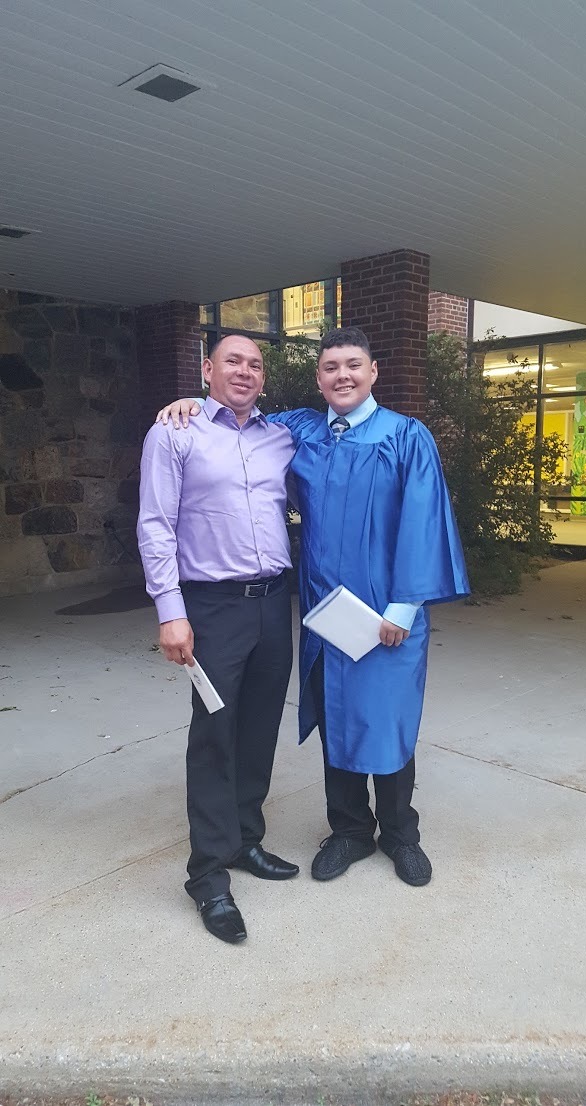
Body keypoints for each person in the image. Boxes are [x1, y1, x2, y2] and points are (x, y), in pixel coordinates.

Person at [157, 326, 469, 890]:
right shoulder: (299, 430)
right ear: (318, 379)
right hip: (327, 614)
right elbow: (236, 414)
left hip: (387, 614)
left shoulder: (405, 436)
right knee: (335, 716)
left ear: (373, 372)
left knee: (389, 718)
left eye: (353, 365)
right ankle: (349, 830)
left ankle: (401, 834)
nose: (342, 376)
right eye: (330, 368)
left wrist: (404, 607)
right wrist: (190, 403)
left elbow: (424, 521)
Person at [138, 334, 299, 946]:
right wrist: (170, 611)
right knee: (213, 737)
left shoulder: (280, 436)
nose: (245, 371)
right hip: (212, 608)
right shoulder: (174, 433)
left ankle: (244, 840)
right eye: (233, 360)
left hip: (273, 604)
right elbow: (156, 524)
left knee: (258, 729)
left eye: (255, 364)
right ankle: (207, 875)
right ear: (207, 369)